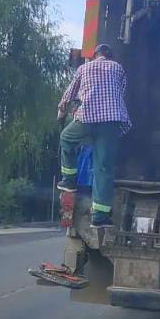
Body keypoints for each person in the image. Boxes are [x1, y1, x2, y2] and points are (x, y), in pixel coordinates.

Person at [57, 45, 131, 227]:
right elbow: (121, 91)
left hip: (87, 117)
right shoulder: (118, 68)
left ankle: (69, 180)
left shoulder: (84, 68)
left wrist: (62, 111)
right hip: (111, 121)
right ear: (109, 56)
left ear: (94, 56)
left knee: (66, 138)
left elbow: (70, 93)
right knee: (103, 168)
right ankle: (100, 217)